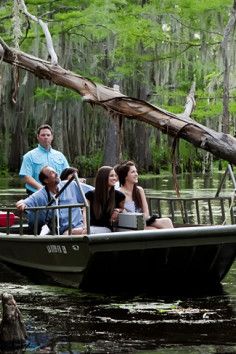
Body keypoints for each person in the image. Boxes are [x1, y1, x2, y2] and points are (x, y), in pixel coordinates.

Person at [16, 166, 93, 235]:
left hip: (81, 227)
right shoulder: (41, 194)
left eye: (55, 171)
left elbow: (94, 192)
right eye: (51, 173)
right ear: (46, 180)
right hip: (64, 232)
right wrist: (21, 204)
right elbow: (22, 203)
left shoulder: (71, 184)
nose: (56, 173)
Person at [115, 161, 174, 229]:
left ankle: (176, 239)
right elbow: (122, 215)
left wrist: (145, 221)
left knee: (167, 221)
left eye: (136, 171)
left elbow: (146, 214)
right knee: (153, 229)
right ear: (125, 176)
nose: (136, 174)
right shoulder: (119, 193)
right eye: (132, 172)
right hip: (129, 225)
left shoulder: (139, 190)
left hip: (143, 221)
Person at [19, 124, 69, 195]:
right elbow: (26, 177)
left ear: (52, 137)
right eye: (43, 135)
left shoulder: (60, 156)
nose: (46, 137)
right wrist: (42, 189)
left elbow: (68, 174)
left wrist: (77, 180)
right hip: (36, 194)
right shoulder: (29, 156)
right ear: (38, 137)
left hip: (58, 194)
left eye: (48, 135)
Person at [85, 166, 125, 233]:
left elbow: (123, 209)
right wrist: (85, 227)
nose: (115, 178)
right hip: (90, 227)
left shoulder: (119, 196)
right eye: (111, 176)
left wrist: (118, 210)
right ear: (103, 178)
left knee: (85, 232)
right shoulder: (90, 195)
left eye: (115, 176)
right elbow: (85, 213)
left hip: (106, 228)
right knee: (71, 231)